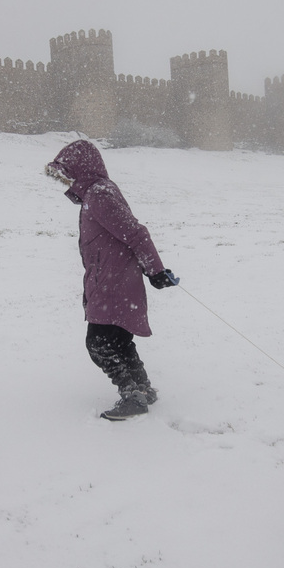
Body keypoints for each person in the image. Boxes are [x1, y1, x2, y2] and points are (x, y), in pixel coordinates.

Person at [45, 139, 179, 420]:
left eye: (67, 172)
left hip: (113, 284)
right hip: (111, 281)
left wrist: (155, 270)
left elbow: (136, 233)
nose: (64, 179)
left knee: (99, 344)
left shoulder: (99, 195)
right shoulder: (97, 194)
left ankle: (133, 396)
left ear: (82, 168)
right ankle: (143, 388)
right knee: (118, 341)